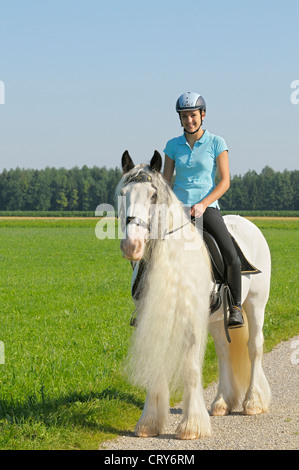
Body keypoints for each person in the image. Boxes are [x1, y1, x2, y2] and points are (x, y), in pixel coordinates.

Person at [163, 91, 244, 328]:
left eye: (193, 115)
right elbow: (166, 181)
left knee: (230, 253)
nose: (189, 120)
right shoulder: (172, 145)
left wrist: (204, 204)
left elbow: (225, 181)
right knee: (152, 248)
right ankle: (147, 303)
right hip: (178, 210)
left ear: (203, 115)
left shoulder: (217, 142)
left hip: (205, 207)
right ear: (180, 119)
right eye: (184, 116)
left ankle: (236, 306)